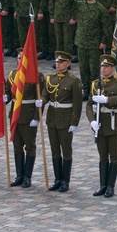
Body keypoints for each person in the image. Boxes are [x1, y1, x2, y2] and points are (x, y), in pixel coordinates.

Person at [86, 54, 117, 197]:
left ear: (112, 69)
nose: (103, 69)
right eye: (102, 66)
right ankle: (102, 185)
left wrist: (107, 99)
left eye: (106, 66)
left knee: (114, 157)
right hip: (100, 124)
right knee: (102, 156)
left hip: (113, 124)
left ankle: (111, 186)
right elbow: (89, 105)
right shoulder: (95, 84)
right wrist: (91, 120)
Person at [43, 51, 82, 191]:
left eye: (61, 62)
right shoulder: (50, 79)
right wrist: (40, 102)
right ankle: (57, 179)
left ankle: (65, 180)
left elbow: (77, 104)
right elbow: (45, 96)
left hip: (65, 120)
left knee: (66, 151)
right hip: (52, 119)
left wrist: (74, 122)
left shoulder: (73, 81)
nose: (58, 64)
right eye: (57, 62)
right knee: (54, 151)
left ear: (68, 64)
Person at [6, 48, 45, 188]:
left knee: (29, 146)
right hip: (15, 115)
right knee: (17, 146)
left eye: (22, 58)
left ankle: (27, 176)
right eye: (18, 58)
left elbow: (40, 98)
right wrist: (3, 97)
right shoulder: (12, 75)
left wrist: (36, 117)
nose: (19, 60)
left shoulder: (37, 76)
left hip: (28, 116)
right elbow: (8, 94)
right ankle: (19, 175)